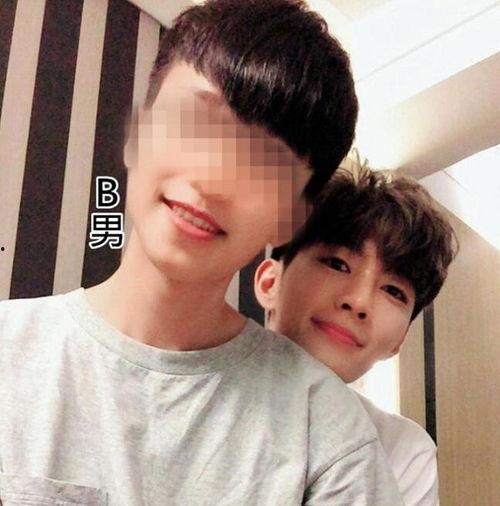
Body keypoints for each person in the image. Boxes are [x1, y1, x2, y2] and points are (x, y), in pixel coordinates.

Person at [0, 1, 403, 505]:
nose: (212, 178)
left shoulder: (325, 432)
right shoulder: (9, 353)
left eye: (263, 160)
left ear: (292, 218)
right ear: (137, 133)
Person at [254, 164, 458, 505]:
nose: (359, 302)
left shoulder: (404, 451)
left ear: (400, 341)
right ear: (270, 282)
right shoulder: (195, 391)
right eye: (336, 264)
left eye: (393, 291)